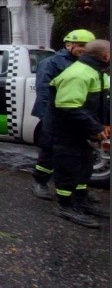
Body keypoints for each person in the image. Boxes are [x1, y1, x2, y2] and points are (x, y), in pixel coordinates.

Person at [49, 39, 110, 228]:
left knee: (85, 165)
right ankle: (65, 204)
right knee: (68, 166)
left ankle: (81, 200)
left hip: (82, 130)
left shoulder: (97, 73)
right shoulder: (78, 74)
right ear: (105, 56)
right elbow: (69, 105)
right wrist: (96, 128)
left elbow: (102, 102)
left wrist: (104, 124)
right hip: (67, 130)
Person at [30, 29, 96, 200]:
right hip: (55, 115)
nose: (84, 49)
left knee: (80, 153)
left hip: (75, 114)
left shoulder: (86, 63)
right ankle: (40, 182)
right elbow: (44, 90)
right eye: (81, 45)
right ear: (69, 44)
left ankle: (79, 190)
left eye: (87, 46)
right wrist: (47, 118)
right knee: (49, 150)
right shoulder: (51, 63)